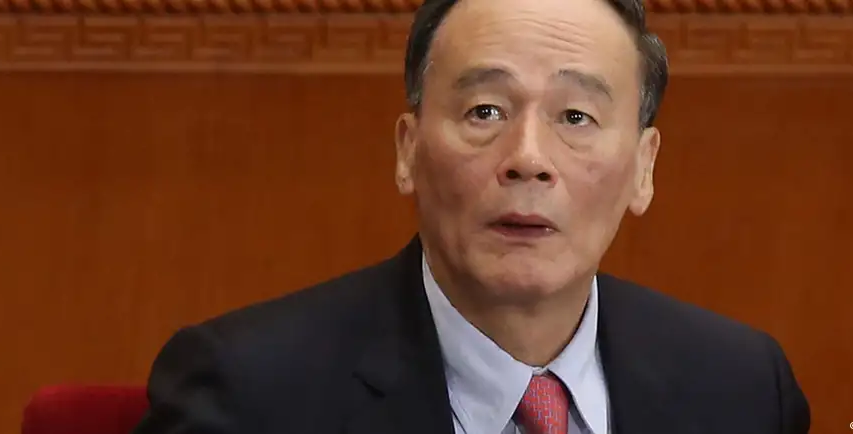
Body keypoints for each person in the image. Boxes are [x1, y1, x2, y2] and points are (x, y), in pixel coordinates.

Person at [133, 0, 811, 432]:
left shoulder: (744, 389)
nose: (528, 159)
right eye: (485, 111)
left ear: (643, 167)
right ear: (408, 151)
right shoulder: (248, 393)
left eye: (576, 117)